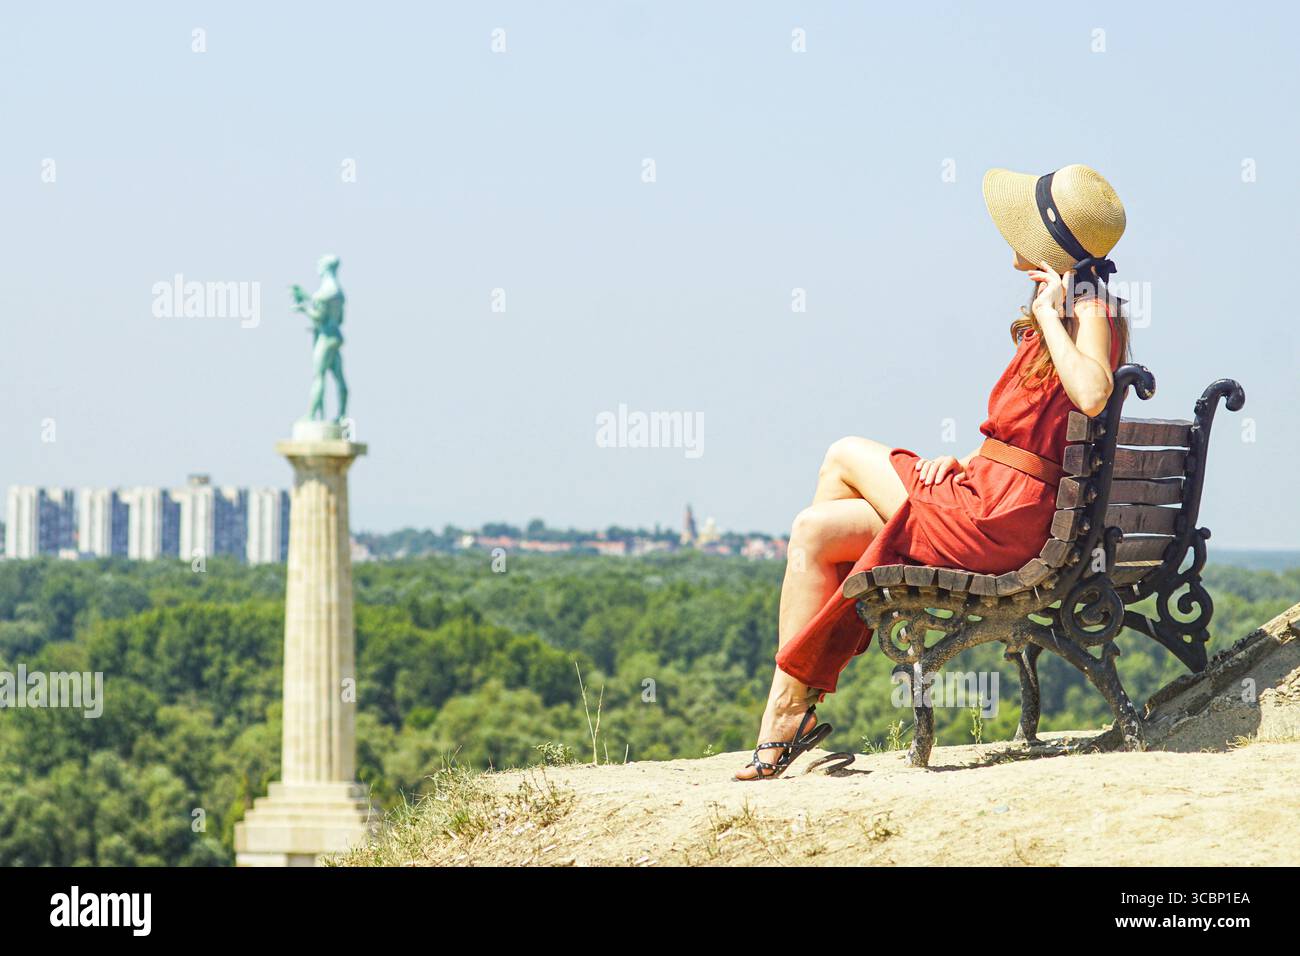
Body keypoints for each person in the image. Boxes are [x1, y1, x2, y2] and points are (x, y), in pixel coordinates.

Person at [737, 164, 1130, 780]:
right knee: (814, 531)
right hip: (994, 495)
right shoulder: (1075, 308)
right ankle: (787, 713)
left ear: (1053, 250)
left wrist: (1051, 314)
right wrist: (970, 460)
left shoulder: (1088, 308)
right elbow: (1036, 437)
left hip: (1000, 520)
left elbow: (1093, 394)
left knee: (842, 453)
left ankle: (797, 702)